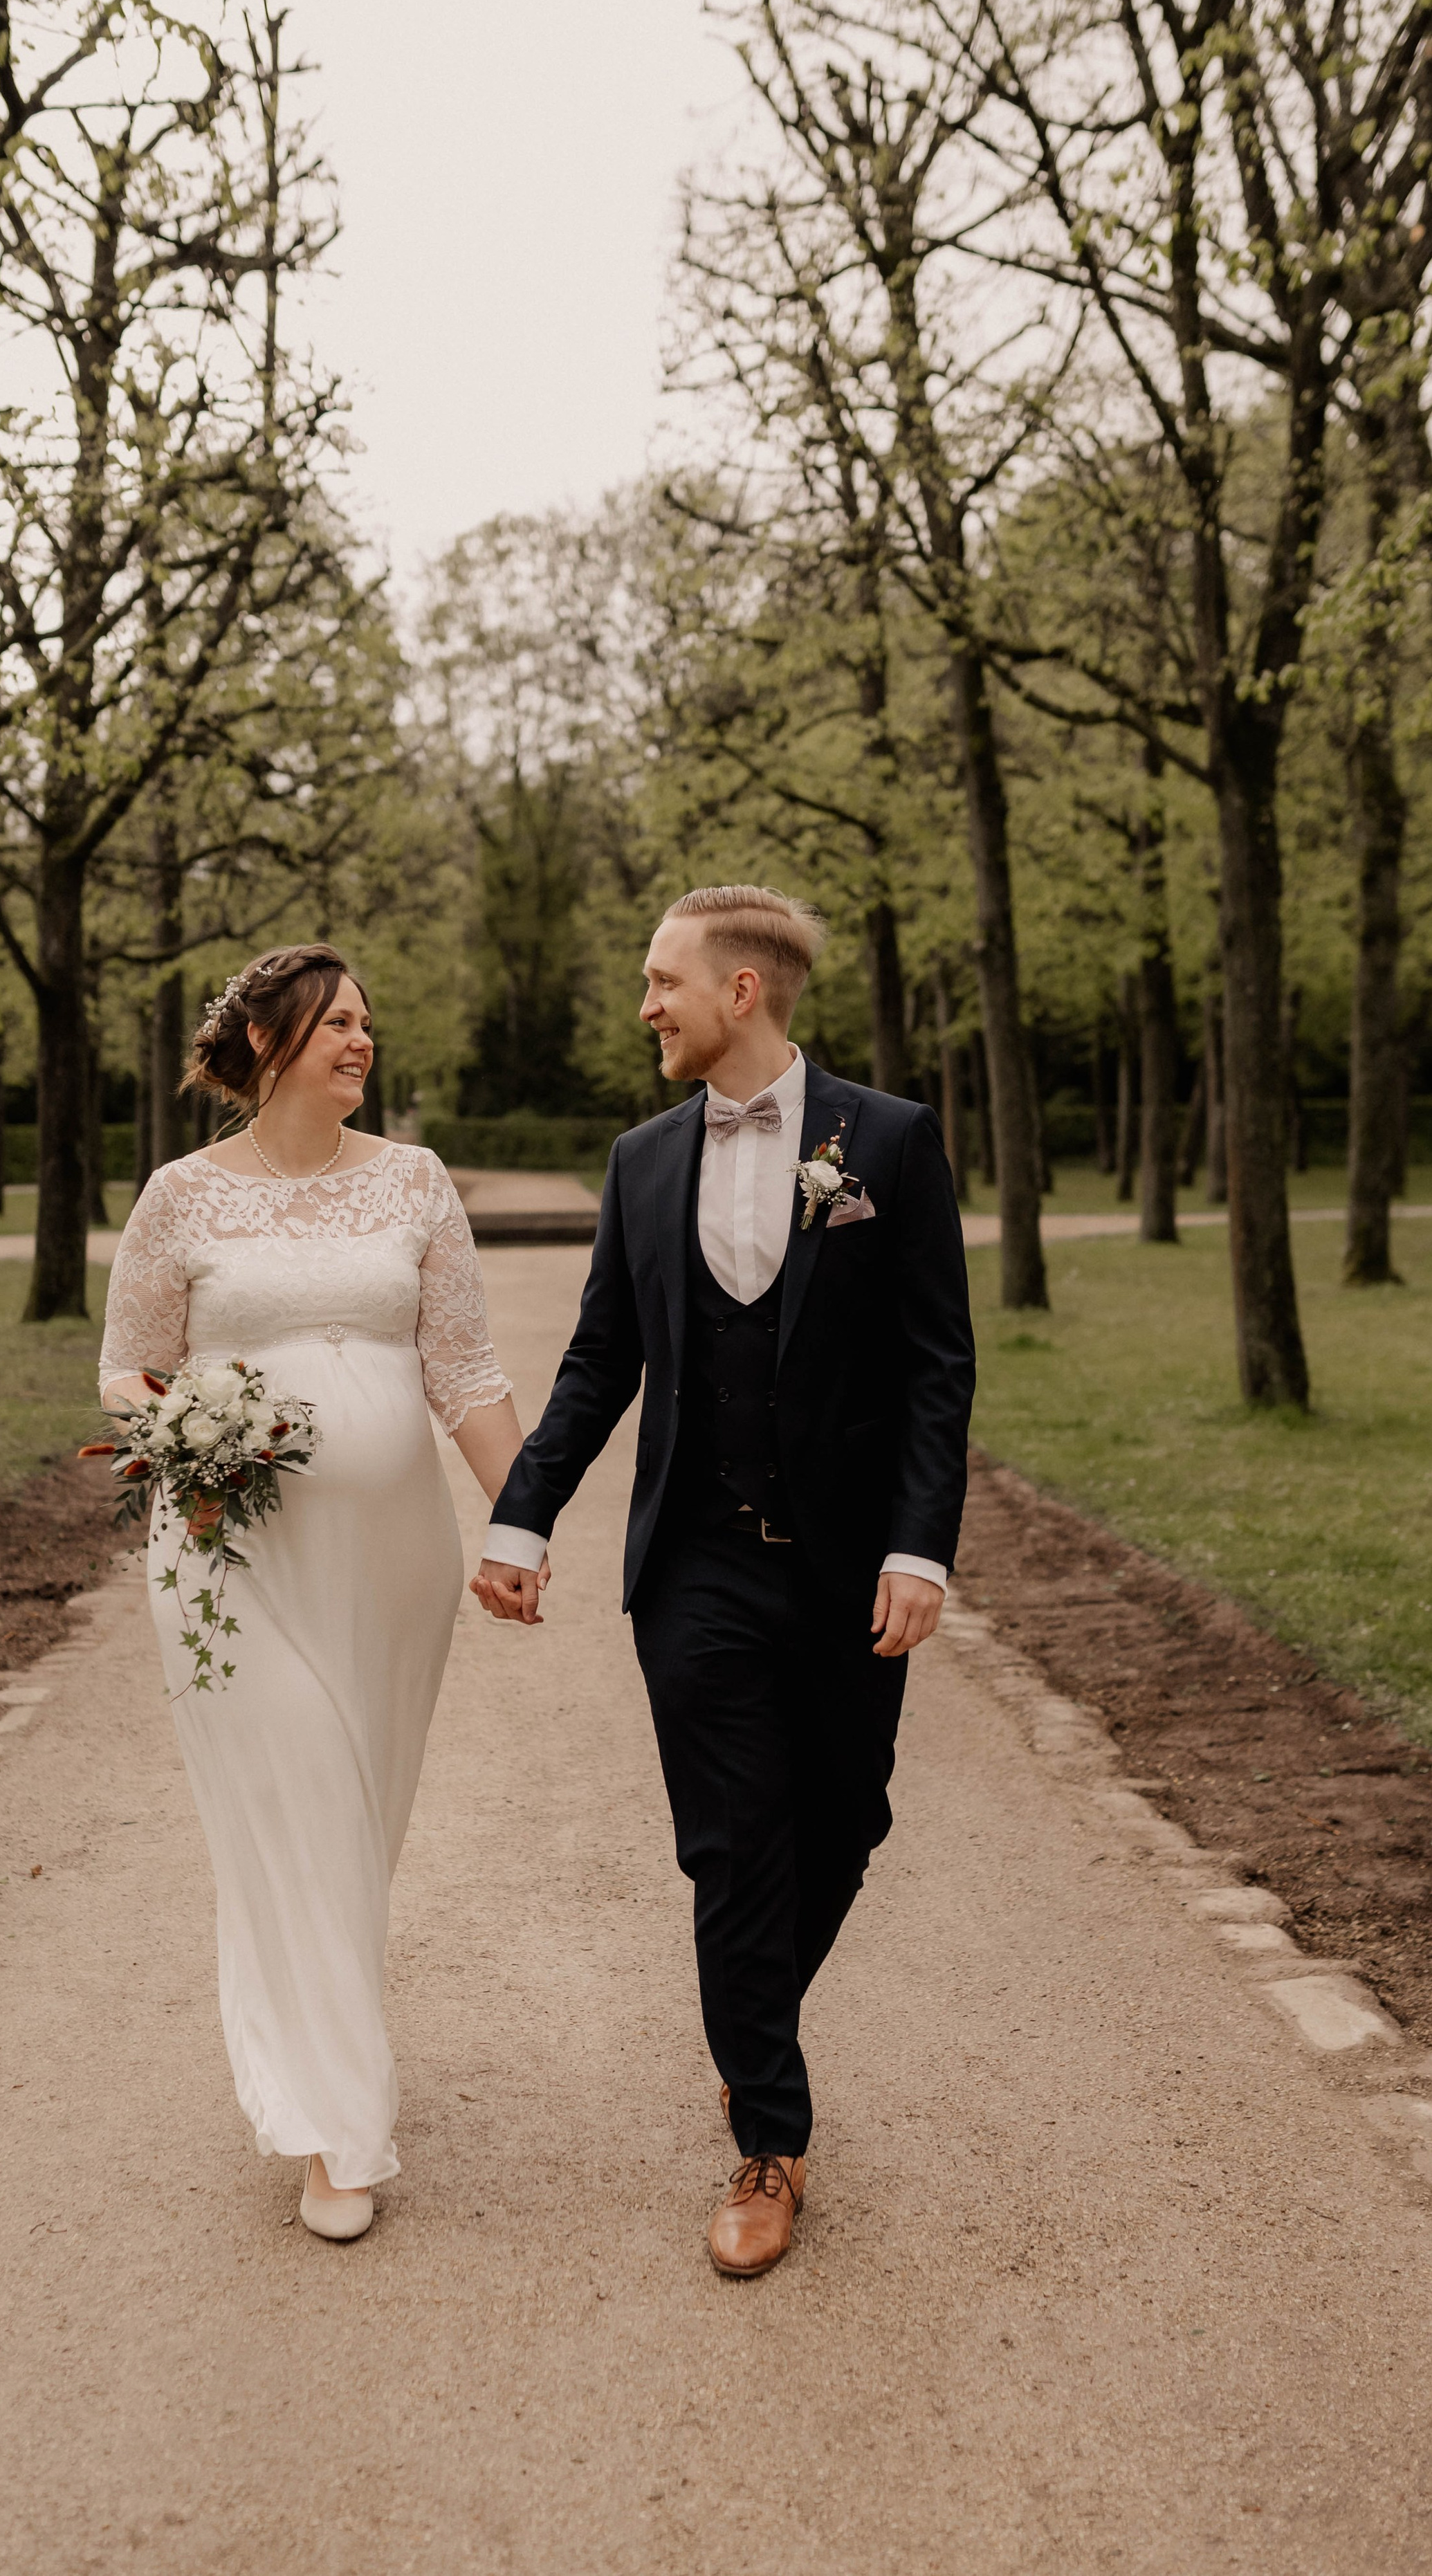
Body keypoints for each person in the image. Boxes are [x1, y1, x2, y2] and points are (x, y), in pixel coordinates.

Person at [472, 885, 974, 2277]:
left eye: (660, 981)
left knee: (845, 1819)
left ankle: (747, 2019)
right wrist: (523, 1518)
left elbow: (938, 1364)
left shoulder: (885, 1141)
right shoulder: (638, 1163)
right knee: (730, 1844)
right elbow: (595, 1368)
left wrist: (918, 1544)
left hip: (844, 1569)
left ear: (739, 991)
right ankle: (767, 2132)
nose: (645, 1006)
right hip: (692, 1569)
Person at [99, 945, 533, 2241]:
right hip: (229, 1561)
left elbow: (462, 1369)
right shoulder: (179, 1198)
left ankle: (314, 2051)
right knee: (293, 1816)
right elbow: (128, 1372)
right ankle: (336, 2131)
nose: (362, 1040)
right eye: (339, 1023)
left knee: (358, 1821)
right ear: (274, 1041)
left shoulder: (414, 1181)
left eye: (366, 1024)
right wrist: (197, 1431)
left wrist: (525, 1516)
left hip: (396, 1565)